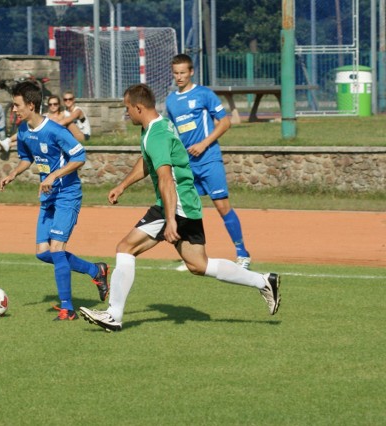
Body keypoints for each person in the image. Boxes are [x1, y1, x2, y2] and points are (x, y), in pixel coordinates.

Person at [79, 83, 280, 332]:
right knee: (199, 265)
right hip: (186, 203)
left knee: (125, 248)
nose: (126, 113)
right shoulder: (156, 128)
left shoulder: (157, 134)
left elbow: (165, 178)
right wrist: (122, 186)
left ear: (138, 107)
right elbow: (148, 161)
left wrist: (171, 220)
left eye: (127, 108)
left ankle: (114, 315)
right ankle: (263, 281)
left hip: (175, 205)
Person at [0, 81, 110, 321]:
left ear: (31, 105)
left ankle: (67, 309)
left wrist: (54, 174)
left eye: (17, 105)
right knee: (42, 252)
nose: (14, 110)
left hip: (67, 195)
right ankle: (95, 270)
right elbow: (27, 158)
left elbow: (80, 156)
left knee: (57, 249)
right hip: (48, 197)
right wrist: (13, 174)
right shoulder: (25, 132)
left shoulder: (56, 130)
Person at [166, 53, 252, 272]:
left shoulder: (204, 94)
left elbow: (225, 122)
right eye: (176, 73)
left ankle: (242, 253)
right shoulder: (171, 100)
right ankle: (194, 257)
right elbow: (174, 131)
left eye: (183, 72)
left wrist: (204, 144)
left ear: (191, 72)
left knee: (222, 206)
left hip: (209, 159)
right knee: (186, 208)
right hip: (187, 164)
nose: (179, 77)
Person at [0, 94, 85, 153]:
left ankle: (9, 143)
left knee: (38, 135)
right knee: (31, 131)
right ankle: (8, 141)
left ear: (59, 105)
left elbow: (63, 126)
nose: (53, 106)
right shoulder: (46, 115)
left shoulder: (65, 114)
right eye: (50, 104)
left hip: (63, 138)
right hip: (47, 137)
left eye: (55, 104)